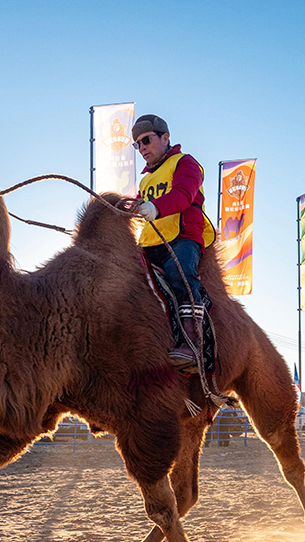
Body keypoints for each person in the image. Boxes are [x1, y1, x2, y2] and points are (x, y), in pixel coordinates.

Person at [132, 114, 217, 373]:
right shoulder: (145, 179)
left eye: (146, 140)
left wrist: (155, 207)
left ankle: (193, 344)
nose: (142, 148)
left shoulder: (186, 163)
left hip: (182, 239)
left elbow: (183, 195)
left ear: (165, 137)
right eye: (137, 144)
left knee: (180, 273)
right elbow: (140, 205)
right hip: (149, 243)